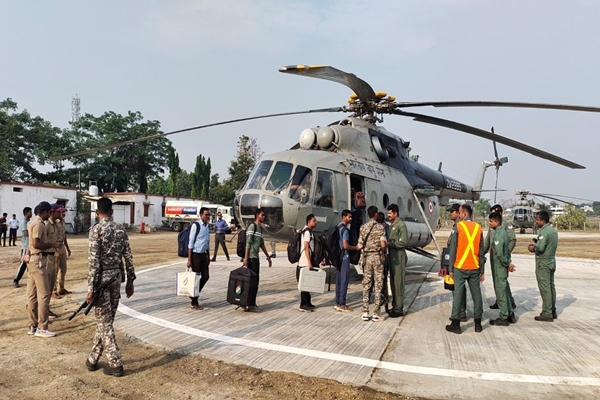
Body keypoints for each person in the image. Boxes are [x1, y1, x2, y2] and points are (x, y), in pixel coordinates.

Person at [86, 198, 135, 377]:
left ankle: (115, 362)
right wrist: (130, 281)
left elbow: (93, 262)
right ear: (112, 211)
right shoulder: (121, 229)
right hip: (116, 278)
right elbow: (128, 257)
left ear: (97, 212)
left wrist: (90, 288)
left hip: (101, 280)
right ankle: (92, 359)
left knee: (104, 322)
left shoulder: (96, 230)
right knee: (106, 321)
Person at [446, 204, 485, 334]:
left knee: (458, 294)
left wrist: (450, 267)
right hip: (474, 266)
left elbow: (453, 249)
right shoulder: (479, 228)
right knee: (477, 294)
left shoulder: (458, 226)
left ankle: (456, 323)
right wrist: (482, 270)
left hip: (460, 267)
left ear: (464, 214)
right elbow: (481, 250)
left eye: (460, 213)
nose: (460, 215)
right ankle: (478, 324)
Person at [26, 201, 62, 338]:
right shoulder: (39, 224)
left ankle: (32, 324)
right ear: (46, 212)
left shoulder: (34, 222)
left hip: (34, 260)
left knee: (32, 294)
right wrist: (53, 244)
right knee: (44, 293)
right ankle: (42, 327)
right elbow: (36, 243)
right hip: (38, 260)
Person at [357, 205, 387, 322]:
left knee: (366, 284)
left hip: (367, 257)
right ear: (376, 214)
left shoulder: (363, 228)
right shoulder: (380, 228)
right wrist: (383, 252)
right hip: (378, 257)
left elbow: (360, 245)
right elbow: (383, 245)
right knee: (378, 284)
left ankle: (365, 312)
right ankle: (376, 313)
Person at [484, 204, 517, 310]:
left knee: (502, 282)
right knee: (497, 282)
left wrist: (505, 254)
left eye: (496, 212)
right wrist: (481, 253)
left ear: (501, 213)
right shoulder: (492, 225)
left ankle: (509, 302)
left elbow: (512, 240)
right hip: (494, 258)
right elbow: (487, 241)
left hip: (501, 258)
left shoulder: (506, 224)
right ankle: (500, 301)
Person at [528, 210, 558, 322]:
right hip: (551, 261)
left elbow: (540, 248)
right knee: (551, 287)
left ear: (542, 220)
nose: (536, 222)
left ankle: (547, 313)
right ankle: (552, 310)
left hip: (543, 263)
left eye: (537, 220)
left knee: (545, 288)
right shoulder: (553, 231)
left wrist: (533, 248)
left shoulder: (544, 232)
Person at [243, 208, 273, 311]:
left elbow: (262, 244)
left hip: (256, 258)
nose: (264, 217)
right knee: (251, 281)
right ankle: (247, 302)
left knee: (255, 282)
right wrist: (245, 258)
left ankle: (252, 302)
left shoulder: (260, 229)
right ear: (257, 216)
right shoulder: (252, 227)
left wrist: (268, 257)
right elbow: (248, 243)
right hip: (250, 258)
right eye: (262, 215)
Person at [334, 210, 359, 312]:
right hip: (344, 257)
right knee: (344, 280)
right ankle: (342, 304)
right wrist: (355, 248)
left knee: (339, 280)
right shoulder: (345, 231)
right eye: (349, 217)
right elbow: (345, 245)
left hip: (338, 257)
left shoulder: (338, 227)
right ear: (343, 217)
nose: (350, 219)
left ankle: (337, 301)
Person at [386, 204, 408, 318]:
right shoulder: (392, 225)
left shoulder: (401, 225)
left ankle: (399, 309)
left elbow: (403, 241)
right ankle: (395, 306)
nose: (388, 215)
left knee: (398, 283)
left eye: (390, 213)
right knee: (394, 283)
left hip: (399, 257)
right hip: (393, 258)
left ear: (395, 213)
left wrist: (390, 244)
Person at [187, 207, 211, 310]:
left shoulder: (207, 226)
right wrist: (189, 259)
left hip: (203, 255)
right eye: (206, 215)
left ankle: (193, 294)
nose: (208, 217)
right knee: (196, 279)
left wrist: (208, 255)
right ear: (201, 215)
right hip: (195, 255)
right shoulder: (196, 226)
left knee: (205, 276)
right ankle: (194, 301)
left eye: (208, 215)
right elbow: (190, 243)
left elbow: (207, 241)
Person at [446, 203, 467, 322]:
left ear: (458, 213)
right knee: (457, 288)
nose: (450, 213)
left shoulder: (459, 226)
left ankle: (460, 312)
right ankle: (460, 311)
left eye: (452, 211)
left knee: (458, 289)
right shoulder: (456, 226)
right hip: (456, 260)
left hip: (459, 262)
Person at [297, 214, 317, 312]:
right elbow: (306, 246)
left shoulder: (306, 231)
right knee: (304, 285)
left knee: (307, 283)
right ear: (309, 221)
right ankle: (303, 304)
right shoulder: (307, 232)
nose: (315, 222)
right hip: (304, 262)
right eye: (314, 221)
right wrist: (309, 262)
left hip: (305, 261)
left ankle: (308, 302)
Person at [47, 204, 63, 301]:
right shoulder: (46, 225)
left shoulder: (55, 224)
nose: (60, 213)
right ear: (52, 212)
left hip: (53, 254)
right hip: (47, 256)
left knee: (52, 278)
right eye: (58, 211)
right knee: (46, 281)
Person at [13, 207, 32, 288]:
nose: (31, 213)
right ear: (26, 213)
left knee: (31, 264)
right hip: (25, 246)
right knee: (23, 263)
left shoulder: (29, 222)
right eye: (30, 212)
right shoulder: (24, 222)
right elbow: (26, 233)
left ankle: (31, 280)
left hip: (30, 245)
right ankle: (16, 280)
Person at [55, 206, 72, 295]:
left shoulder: (63, 222)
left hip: (62, 246)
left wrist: (67, 248)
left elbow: (64, 236)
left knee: (63, 269)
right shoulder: (55, 223)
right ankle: (53, 290)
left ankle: (61, 288)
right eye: (62, 212)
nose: (64, 214)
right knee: (55, 269)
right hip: (55, 246)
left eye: (64, 212)